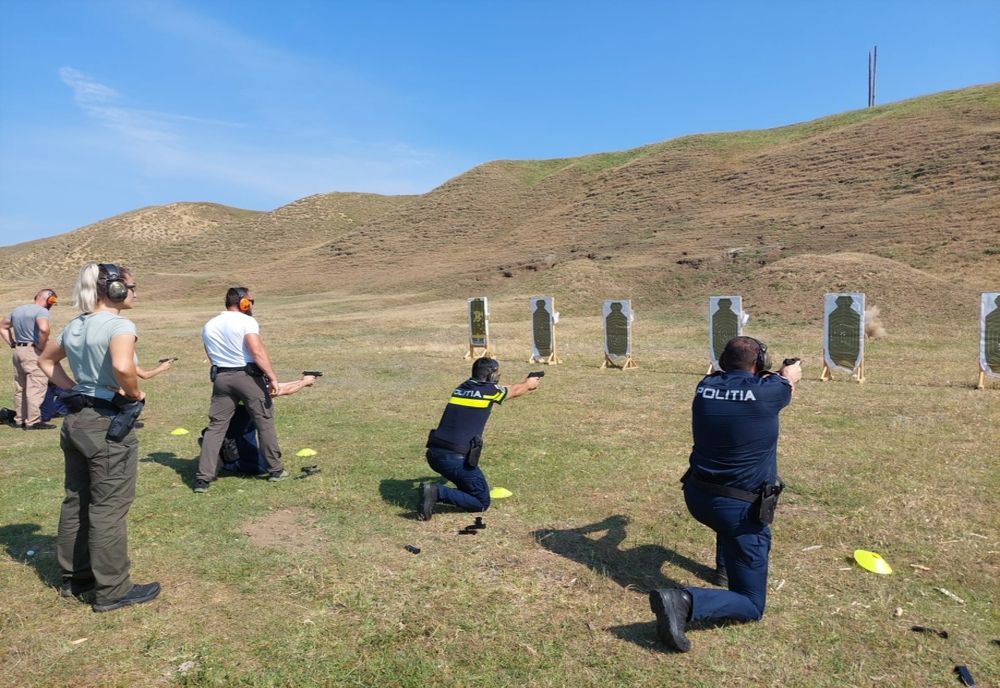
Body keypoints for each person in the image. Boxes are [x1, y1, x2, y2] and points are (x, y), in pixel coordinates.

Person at [649, 336, 801, 652]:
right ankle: (684, 602)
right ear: (760, 364)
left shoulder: (705, 386)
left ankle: (723, 569)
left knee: (728, 521)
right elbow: (788, 383)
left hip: (698, 495)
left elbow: (740, 383)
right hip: (738, 508)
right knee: (751, 603)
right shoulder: (770, 392)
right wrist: (789, 370)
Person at [37, 263, 160, 612]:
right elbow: (123, 368)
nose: (136, 293)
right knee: (109, 507)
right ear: (116, 289)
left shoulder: (75, 323)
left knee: (76, 501)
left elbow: (46, 360)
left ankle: (76, 578)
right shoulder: (120, 325)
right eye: (132, 286)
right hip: (106, 424)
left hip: (76, 420)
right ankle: (113, 589)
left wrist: (74, 388)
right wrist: (134, 394)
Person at [418, 357, 541, 520]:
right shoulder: (489, 392)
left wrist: (522, 382)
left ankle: (439, 491)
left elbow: (501, 389)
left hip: (434, 454)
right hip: (455, 459)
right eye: (496, 373)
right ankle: (437, 492)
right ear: (489, 375)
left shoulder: (462, 387)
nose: (498, 376)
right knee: (480, 501)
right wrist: (528, 384)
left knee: (469, 488)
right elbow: (516, 391)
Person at [194, 287, 289, 492]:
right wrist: (272, 378)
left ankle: (203, 478)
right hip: (246, 377)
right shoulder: (247, 321)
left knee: (216, 427)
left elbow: (211, 356)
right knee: (264, 422)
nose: (252, 305)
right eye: (251, 301)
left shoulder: (209, 324)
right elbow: (257, 351)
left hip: (221, 377)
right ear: (244, 302)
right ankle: (275, 469)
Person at [1, 288, 59, 429]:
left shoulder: (17, 310)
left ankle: (20, 419)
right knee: (36, 386)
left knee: (21, 387)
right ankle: (33, 421)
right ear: (46, 298)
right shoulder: (41, 311)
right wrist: (41, 345)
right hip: (32, 350)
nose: (51, 304)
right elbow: (44, 329)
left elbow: (3, 327)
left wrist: (13, 344)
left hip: (18, 351)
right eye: (52, 301)